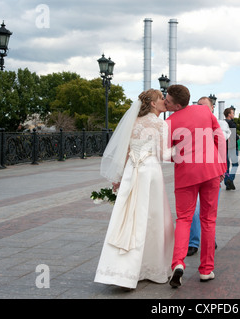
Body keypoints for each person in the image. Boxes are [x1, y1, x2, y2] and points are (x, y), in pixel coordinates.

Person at [94, 89, 174, 289]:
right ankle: (151, 268)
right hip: (150, 172)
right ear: (153, 104)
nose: (164, 101)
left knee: (127, 218)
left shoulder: (133, 122)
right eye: (161, 98)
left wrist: (119, 178)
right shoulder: (160, 124)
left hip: (131, 170)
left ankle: (122, 270)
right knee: (152, 218)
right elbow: (164, 155)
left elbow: (125, 151)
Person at [164, 85, 227, 287]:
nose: (165, 102)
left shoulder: (168, 122)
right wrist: (221, 166)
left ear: (177, 104)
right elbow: (219, 139)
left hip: (186, 175)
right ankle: (206, 270)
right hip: (211, 171)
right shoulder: (204, 111)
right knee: (209, 220)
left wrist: (181, 157)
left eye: (167, 100)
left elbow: (166, 153)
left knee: (184, 219)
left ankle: (178, 264)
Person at [187, 97, 230, 257]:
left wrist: (222, 171)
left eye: (205, 107)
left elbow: (222, 144)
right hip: (193, 171)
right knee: (194, 209)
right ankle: (193, 242)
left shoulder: (220, 124)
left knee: (209, 211)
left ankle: (210, 239)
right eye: (199, 106)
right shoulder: (190, 123)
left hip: (212, 172)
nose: (202, 110)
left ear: (212, 108)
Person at [223, 107, 239, 190]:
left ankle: (227, 184)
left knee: (226, 166)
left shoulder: (222, 123)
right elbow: (233, 136)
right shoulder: (232, 124)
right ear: (229, 114)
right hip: (232, 147)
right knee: (235, 164)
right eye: (233, 113)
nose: (233, 114)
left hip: (224, 147)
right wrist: (237, 137)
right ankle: (230, 178)